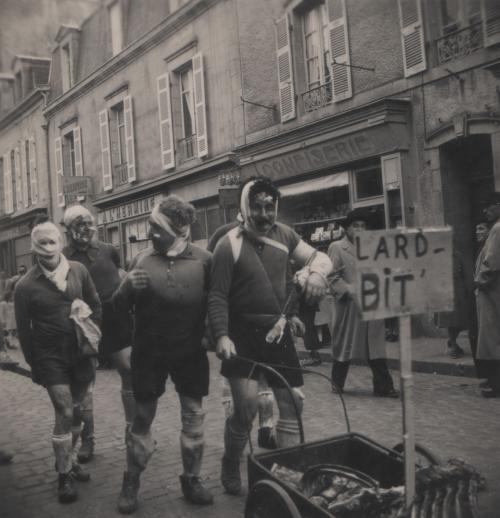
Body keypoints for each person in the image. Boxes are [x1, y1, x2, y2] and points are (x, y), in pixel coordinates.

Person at [208, 176, 332, 495]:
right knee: (246, 409)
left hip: (277, 332)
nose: (264, 215)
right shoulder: (228, 244)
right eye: (257, 207)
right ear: (245, 207)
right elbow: (217, 295)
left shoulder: (285, 234)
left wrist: (317, 274)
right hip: (241, 334)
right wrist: (221, 335)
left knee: (292, 405)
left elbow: (319, 259)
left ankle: (286, 475)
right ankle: (231, 462)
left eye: (269, 207)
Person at [113, 195, 213, 514]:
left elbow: (217, 303)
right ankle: (131, 479)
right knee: (141, 417)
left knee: (194, 415)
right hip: (149, 351)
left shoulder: (205, 260)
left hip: (189, 351)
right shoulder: (141, 260)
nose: (149, 232)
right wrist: (127, 286)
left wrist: (213, 333)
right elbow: (116, 307)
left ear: (179, 230)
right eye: (149, 225)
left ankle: (192, 478)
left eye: (156, 228)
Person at [14, 221, 101, 503]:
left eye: (53, 242)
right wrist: (35, 365)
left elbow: (96, 304)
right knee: (64, 411)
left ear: (61, 243)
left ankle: (71, 460)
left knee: (77, 411)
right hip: (50, 357)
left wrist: (90, 327)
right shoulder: (25, 287)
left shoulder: (78, 271)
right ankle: (63, 476)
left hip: (79, 352)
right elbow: (25, 333)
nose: (49, 249)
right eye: (42, 245)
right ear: (34, 249)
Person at [62, 205, 134, 463]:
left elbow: (121, 274)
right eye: (79, 225)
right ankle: (87, 441)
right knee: (84, 387)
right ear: (68, 229)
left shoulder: (109, 250)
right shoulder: (62, 257)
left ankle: (133, 433)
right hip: (84, 327)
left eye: (88, 223)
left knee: (129, 371)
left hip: (116, 321)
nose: (86, 229)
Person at [327, 208, 399, 398]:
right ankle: (337, 382)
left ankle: (383, 386)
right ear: (347, 229)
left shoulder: (372, 247)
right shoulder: (337, 247)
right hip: (349, 307)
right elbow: (331, 276)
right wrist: (348, 290)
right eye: (355, 226)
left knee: (375, 346)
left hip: (372, 303)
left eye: (363, 226)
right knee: (344, 345)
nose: (359, 229)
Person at [474, 193, 500, 398]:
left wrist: (479, 281)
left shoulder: (497, 230)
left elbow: (491, 263)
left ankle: (495, 384)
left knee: (491, 339)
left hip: (492, 293)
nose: (485, 211)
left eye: (488, 207)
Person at [436, 248, 470, 358]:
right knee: (450, 320)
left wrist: (466, 289)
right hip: (444, 290)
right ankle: (454, 347)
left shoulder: (458, 254)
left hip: (458, 290)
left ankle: (452, 341)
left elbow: (464, 273)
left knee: (460, 321)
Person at [469, 221, 490, 382]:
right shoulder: (481, 249)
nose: (477, 232)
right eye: (476, 228)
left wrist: (478, 282)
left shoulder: (489, 249)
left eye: (481, 228)